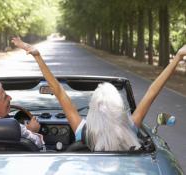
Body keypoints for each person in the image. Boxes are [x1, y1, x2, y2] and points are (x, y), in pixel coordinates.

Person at [12, 37, 186, 151]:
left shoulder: (83, 131)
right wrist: (177, 57)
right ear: (119, 107)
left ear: (93, 107)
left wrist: (38, 56)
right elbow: (152, 91)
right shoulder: (131, 127)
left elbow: (58, 90)